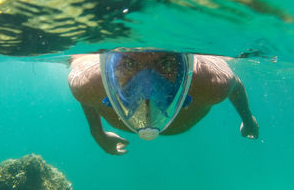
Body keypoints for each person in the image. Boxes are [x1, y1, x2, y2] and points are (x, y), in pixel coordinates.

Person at [68, 50, 259, 155]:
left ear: (184, 66)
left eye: (166, 63)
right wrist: (96, 131)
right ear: (109, 69)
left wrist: (248, 118)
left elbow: (235, 85)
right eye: (128, 64)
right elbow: (87, 95)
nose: (147, 83)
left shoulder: (211, 82)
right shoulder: (88, 81)